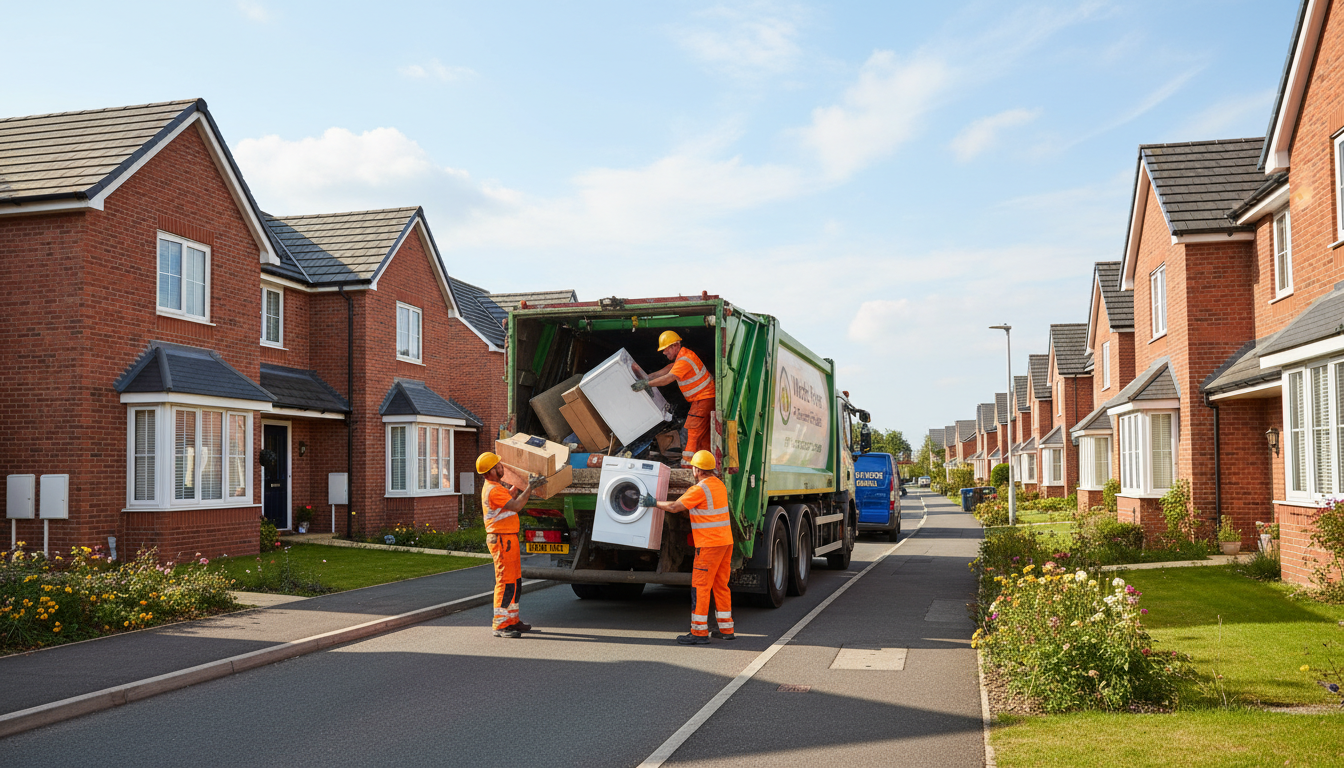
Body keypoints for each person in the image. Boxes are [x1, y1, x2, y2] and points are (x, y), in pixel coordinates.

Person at [643, 449, 735, 645]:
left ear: (697, 470)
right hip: (725, 542)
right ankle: (726, 629)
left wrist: (654, 502)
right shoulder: (719, 485)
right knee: (721, 585)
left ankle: (699, 633)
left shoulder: (699, 489)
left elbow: (675, 507)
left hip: (709, 545)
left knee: (701, 587)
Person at [476, 452, 544, 639]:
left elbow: (510, 495)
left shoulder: (495, 487)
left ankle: (512, 620)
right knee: (505, 582)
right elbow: (515, 506)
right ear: (491, 470)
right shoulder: (493, 489)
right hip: (501, 540)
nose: (501, 467)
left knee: (514, 581)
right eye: (498, 465)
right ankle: (500, 625)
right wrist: (530, 487)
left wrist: (521, 484)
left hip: (507, 539)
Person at [631, 331, 715, 468]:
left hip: (703, 399)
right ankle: (705, 465)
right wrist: (647, 377)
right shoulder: (683, 357)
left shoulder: (684, 360)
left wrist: (647, 384)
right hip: (705, 398)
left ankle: (687, 465)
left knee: (691, 430)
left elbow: (668, 378)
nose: (664, 353)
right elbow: (667, 370)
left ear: (675, 345)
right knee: (703, 436)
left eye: (665, 349)